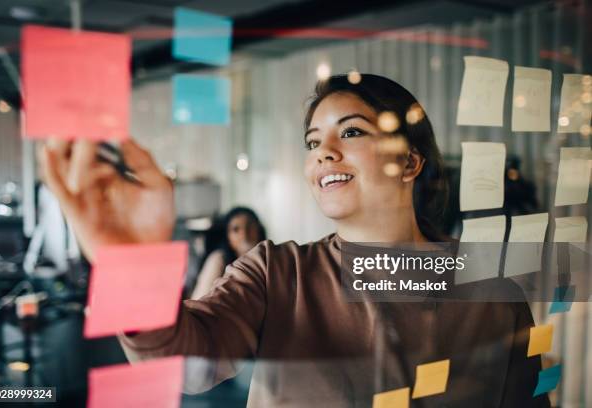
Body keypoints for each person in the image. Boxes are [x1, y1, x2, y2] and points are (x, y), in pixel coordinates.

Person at [39, 74, 549, 407]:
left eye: (350, 133)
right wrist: (134, 265)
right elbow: (184, 368)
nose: (323, 153)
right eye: (312, 142)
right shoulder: (276, 274)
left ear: (410, 162)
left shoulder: (491, 291)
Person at [191, 207, 266, 300]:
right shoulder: (219, 259)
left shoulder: (268, 260)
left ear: (259, 230)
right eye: (236, 229)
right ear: (227, 237)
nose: (244, 234)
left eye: (249, 226)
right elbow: (199, 301)